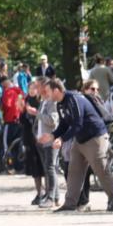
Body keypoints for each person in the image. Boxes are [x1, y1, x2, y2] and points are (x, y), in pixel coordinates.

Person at [42, 78, 113, 212]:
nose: (46, 94)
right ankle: (70, 204)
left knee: (101, 170)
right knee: (74, 171)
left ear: (56, 90)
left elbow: (78, 123)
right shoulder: (60, 104)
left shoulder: (74, 99)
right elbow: (64, 124)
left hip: (95, 137)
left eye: (48, 91)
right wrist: (53, 135)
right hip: (80, 139)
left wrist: (62, 139)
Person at [34, 77, 62, 207]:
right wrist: (36, 135)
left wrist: (36, 113)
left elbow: (52, 121)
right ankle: (54, 197)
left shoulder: (52, 103)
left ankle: (51, 198)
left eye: (38, 86)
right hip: (42, 141)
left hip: (51, 141)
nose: (36, 89)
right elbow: (39, 123)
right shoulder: (43, 102)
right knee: (48, 168)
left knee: (50, 168)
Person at [18, 81, 46, 206]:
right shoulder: (26, 100)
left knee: (44, 166)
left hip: (40, 137)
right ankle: (39, 192)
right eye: (30, 88)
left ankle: (48, 193)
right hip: (29, 137)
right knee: (34, 167)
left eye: (34, 88)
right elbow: (22, 121)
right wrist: (22, 110)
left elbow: (44, 119)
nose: (32, 90)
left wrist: (34, 113)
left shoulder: (42, 102)